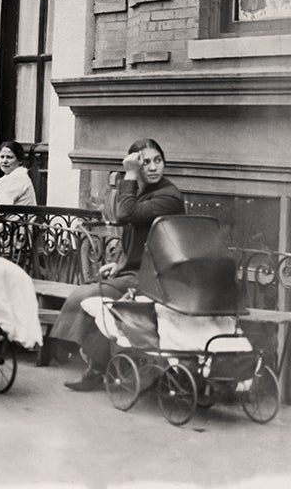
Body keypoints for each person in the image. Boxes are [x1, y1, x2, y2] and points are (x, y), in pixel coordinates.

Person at [50, 138, 186, 391]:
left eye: (158, 160)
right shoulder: (144, 193)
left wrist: (131, 173)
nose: (153, 167)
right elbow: (140, 237)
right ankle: (95, 365)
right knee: (89, 294)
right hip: (138, 272)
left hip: (157, 279)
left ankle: (89, 364)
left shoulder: (169, 196)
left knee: (90, 296)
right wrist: (118, 264)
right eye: (145, 162)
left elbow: (126, 214)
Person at [0, 141, 37, 206]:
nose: (4, 161)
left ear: (20, 160)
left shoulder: (19, 178)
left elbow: (1, 205)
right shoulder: (4, 179)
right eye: (2, 157)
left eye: (9, 157)